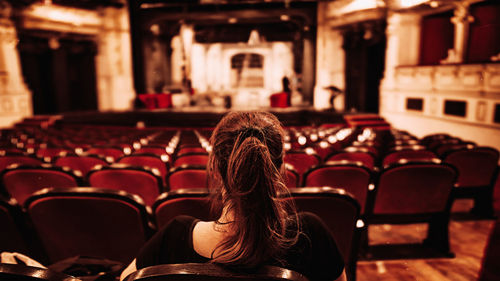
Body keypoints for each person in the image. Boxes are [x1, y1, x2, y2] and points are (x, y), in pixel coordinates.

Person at [120, 111, 346, 281]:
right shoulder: (310, 235)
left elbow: (126, 279)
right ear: (278, 168)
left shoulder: (173, 237)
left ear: (217, 169)